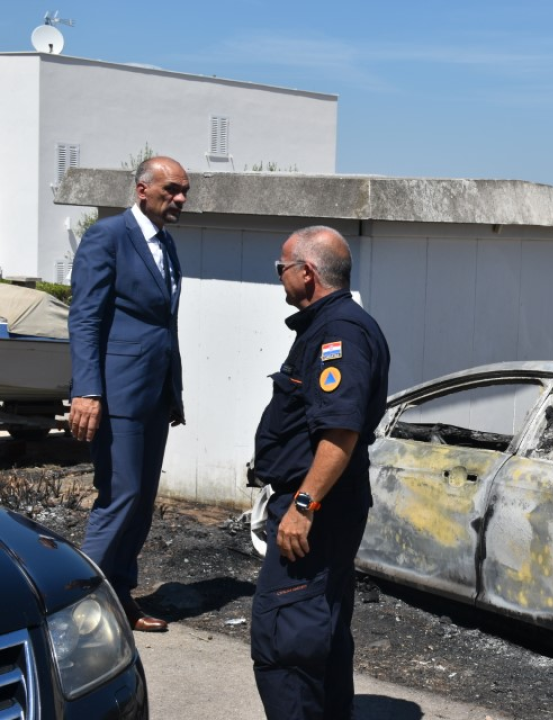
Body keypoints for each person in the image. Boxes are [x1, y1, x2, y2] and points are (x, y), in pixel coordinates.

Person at [250, 226, 390, 720]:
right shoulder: (330, 326)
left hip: (316, 509)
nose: (280, 277)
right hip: (324, 505)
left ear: (307, 273)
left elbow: (340, 434)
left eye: (281, 268)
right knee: (320, 629)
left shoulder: (340, 334)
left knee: (286, 639)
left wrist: (303, 507)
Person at [68, 156, 189, 632]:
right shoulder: (109, 235)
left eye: (184, 191)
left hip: (154, 393)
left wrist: (172, 390)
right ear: (143, 189)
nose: (180, 198)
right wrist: (87, 391)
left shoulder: (167, 244)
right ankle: (74, 608)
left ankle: (118, 598)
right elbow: (85, 317)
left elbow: (162, 323)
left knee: (141, 502)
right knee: (121, 495)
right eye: (172, 189)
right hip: (115, 392)